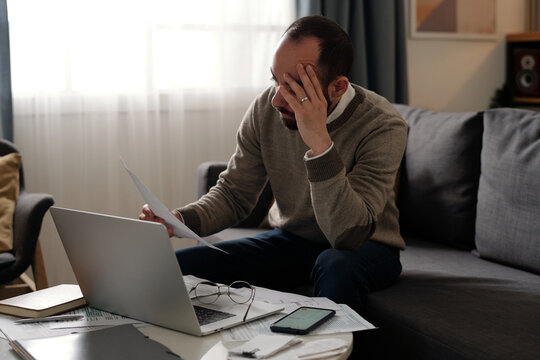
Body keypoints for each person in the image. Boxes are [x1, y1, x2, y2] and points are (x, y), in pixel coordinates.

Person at [140, 15, 407, 315]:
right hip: (293, 240)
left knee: (335, 265)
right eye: (276, 80)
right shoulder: (265, 109)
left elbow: (347, 234)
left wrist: (320, 143)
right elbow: (234, 194)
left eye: (294, 88)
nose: (277, 99)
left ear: (337, 88)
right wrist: (176, 219)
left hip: (366, 247)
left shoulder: (383, 125)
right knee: (180, 268)